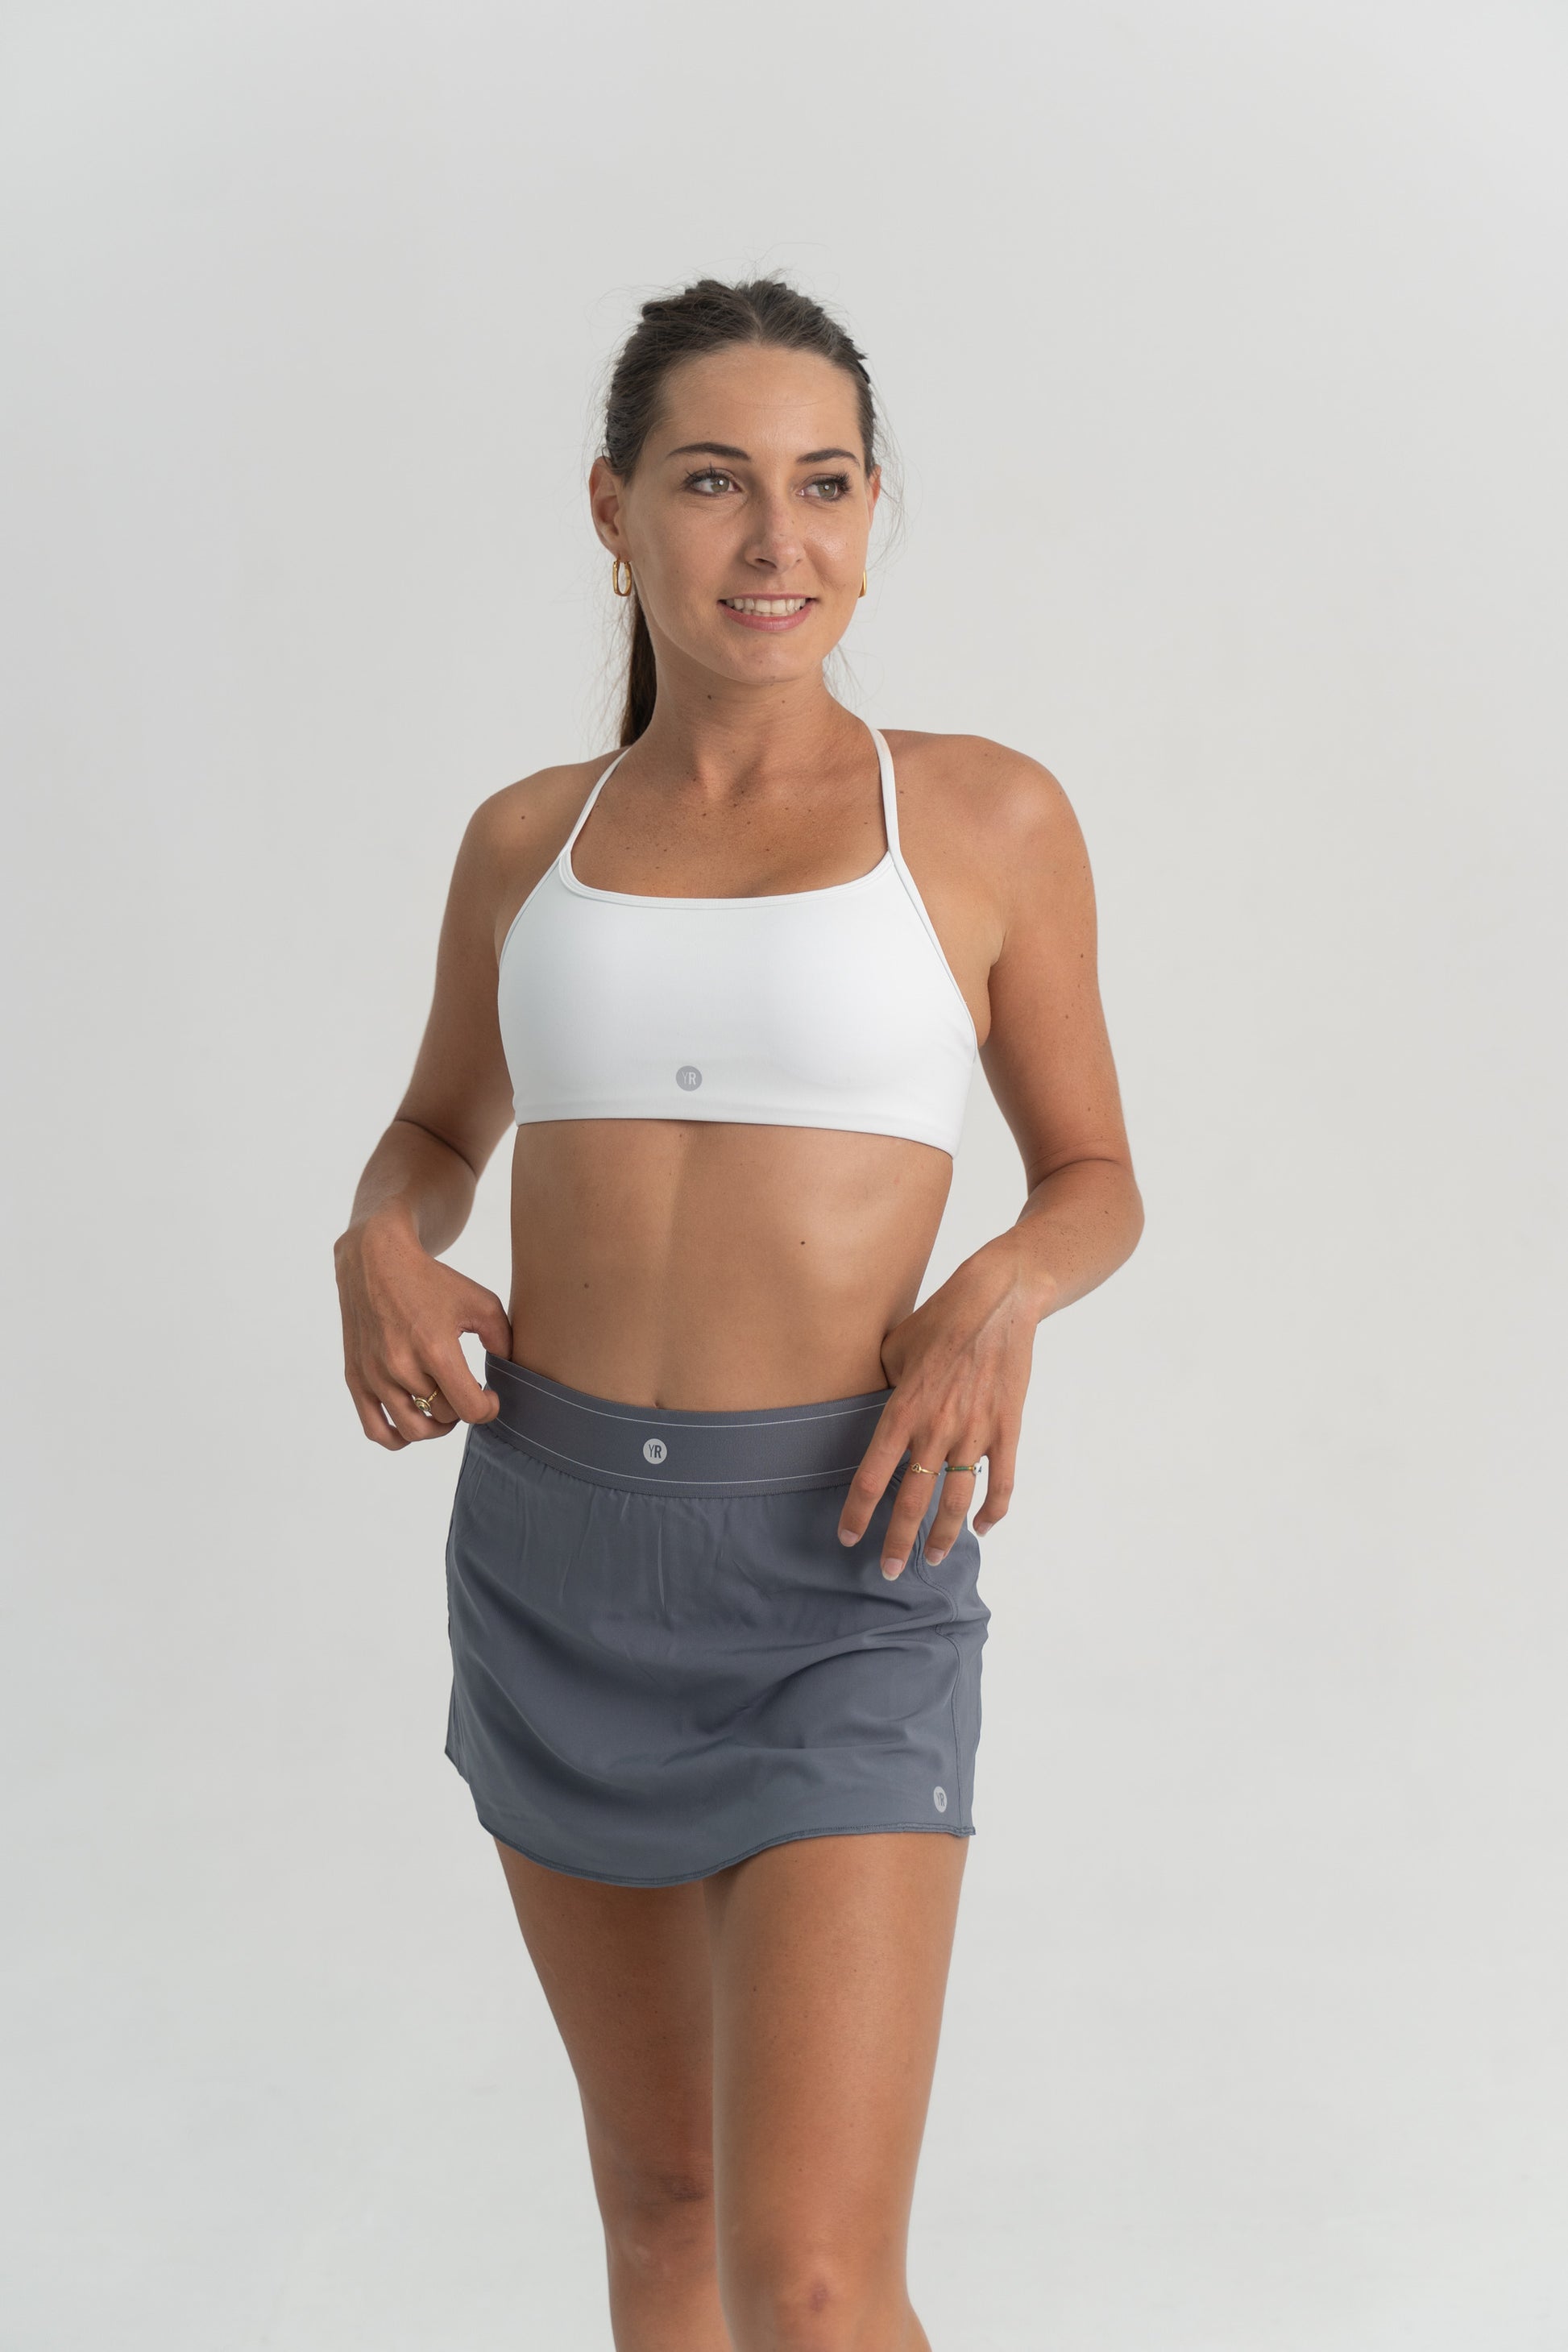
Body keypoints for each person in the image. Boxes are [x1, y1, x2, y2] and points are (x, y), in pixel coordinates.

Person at [333, 272, 1143, 2352]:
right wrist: (378, 1236)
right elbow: (433, 1131)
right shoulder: (528, 840)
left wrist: (996, 1291)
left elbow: (1094, 1176)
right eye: (713, 483)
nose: (778, 540)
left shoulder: (981, 816)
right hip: (556, 1551)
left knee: (813, 2284)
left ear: (871, 513)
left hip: (844, 1565)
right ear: (612, 511)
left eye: (825, 484)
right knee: (666, 2209)